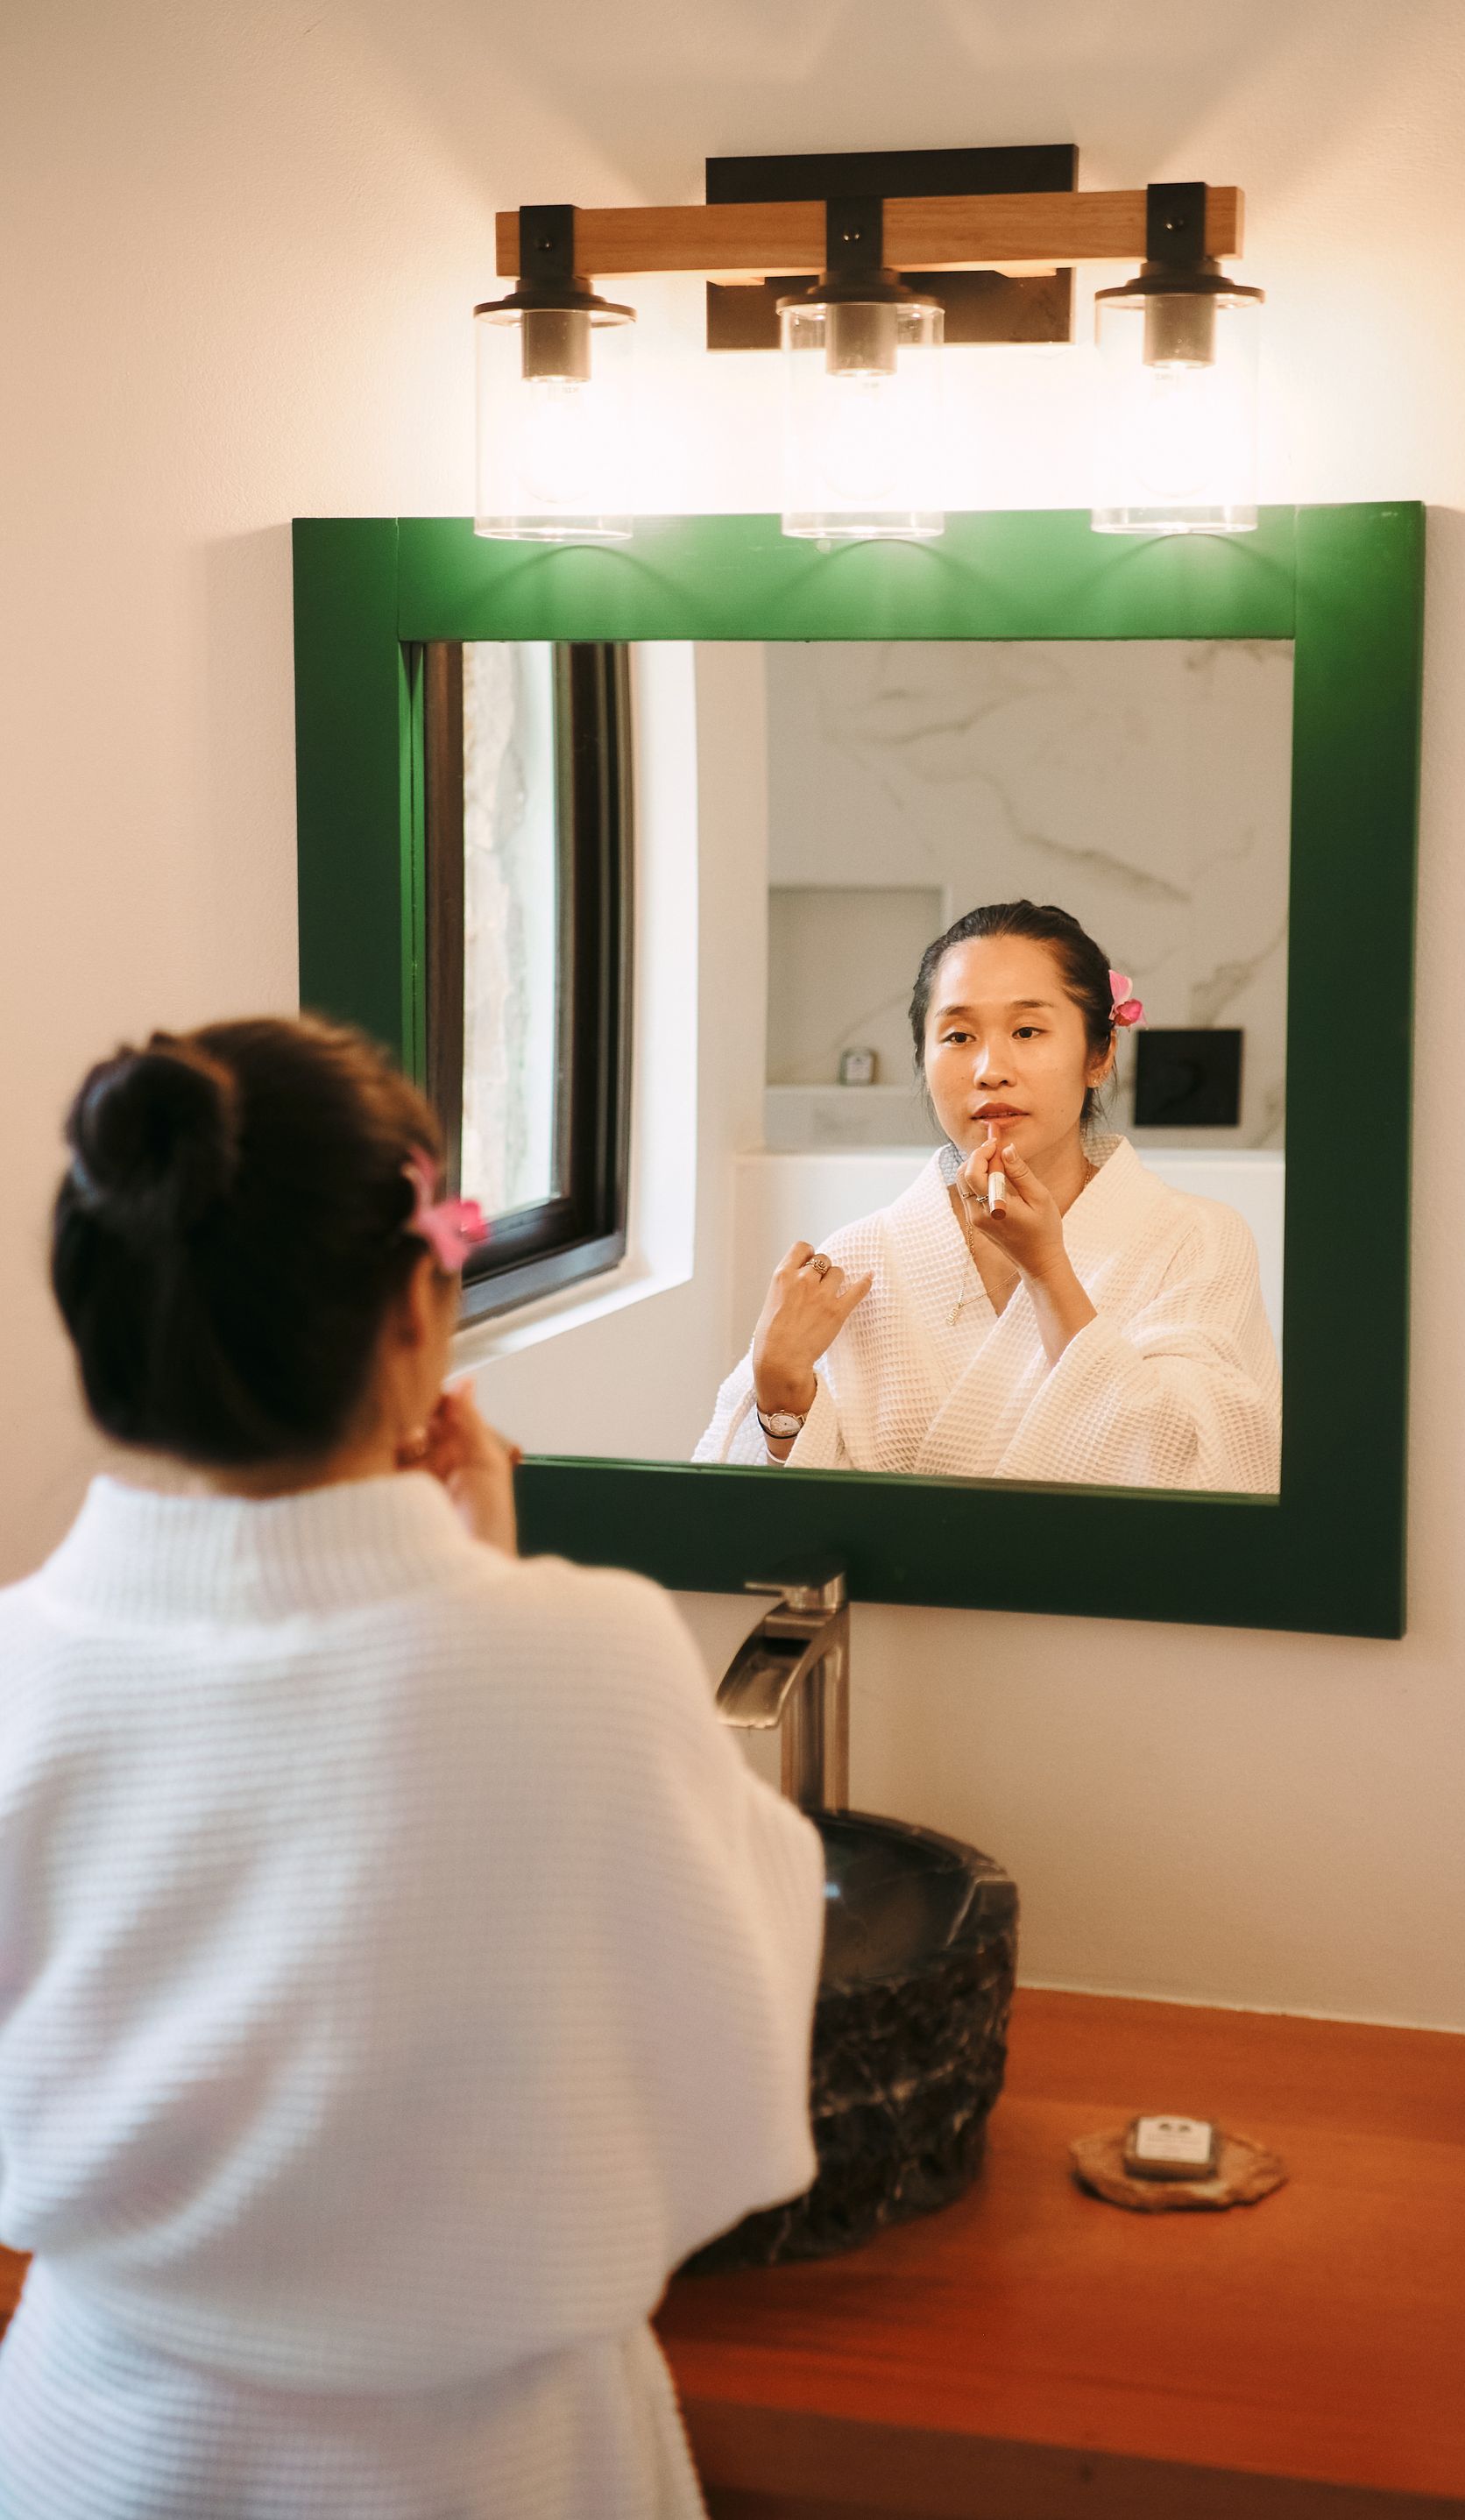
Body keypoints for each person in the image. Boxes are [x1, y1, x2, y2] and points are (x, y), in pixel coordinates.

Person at [0, 1015, 825, 2520]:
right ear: (408, 1317)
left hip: (97, 2445)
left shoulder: (16, 1671)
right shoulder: (590, 1661)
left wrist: (476, 1595)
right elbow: (729, 2071)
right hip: (476, 2469)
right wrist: (498, 1598)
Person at [696, 901, 1281, 1490]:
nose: (989, 1069)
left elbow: (1208, 1471)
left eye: (1028, 1030)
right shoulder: (859, 1261)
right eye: (957, 1035)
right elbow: (742, 1523)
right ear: (923, 1062)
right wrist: (781, 1393)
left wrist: (1048, 1271)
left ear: (1099, 1054)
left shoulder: (1197, 1241)